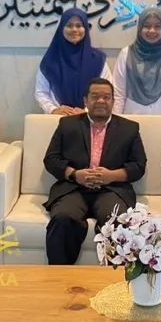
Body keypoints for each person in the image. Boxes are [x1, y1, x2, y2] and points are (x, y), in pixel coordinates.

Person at [42, 78, 147, 264]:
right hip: (74, 189)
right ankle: (59, 276)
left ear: (113, 101)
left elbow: (139, 166)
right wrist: (75, 174)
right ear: (85, 100)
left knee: (116, 221)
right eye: (95, 96)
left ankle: (112, 279)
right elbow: (51, 159)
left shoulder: (129, 128)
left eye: (106, 97)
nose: (100, 101)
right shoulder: (67, 125)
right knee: (63, 218)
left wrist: (111, 176)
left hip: (112, 190)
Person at [112, 7, 161, 115]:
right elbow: (119, 94)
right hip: (133, 120)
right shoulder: (126, 54)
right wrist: (115, 122)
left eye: (157, 26)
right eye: (147, 26)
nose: (152, 31)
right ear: (140, 28)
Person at [35, 8, 112, 115]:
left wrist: (87, 111)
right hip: (57, 118)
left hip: (89, 118)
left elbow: (107, 91)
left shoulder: (97, 60)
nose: (74, 29)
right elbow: (41, 92)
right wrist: (53, 109)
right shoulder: (51, 60)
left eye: (79, 25)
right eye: (69, 25)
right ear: (62, 28)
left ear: (85, 28)